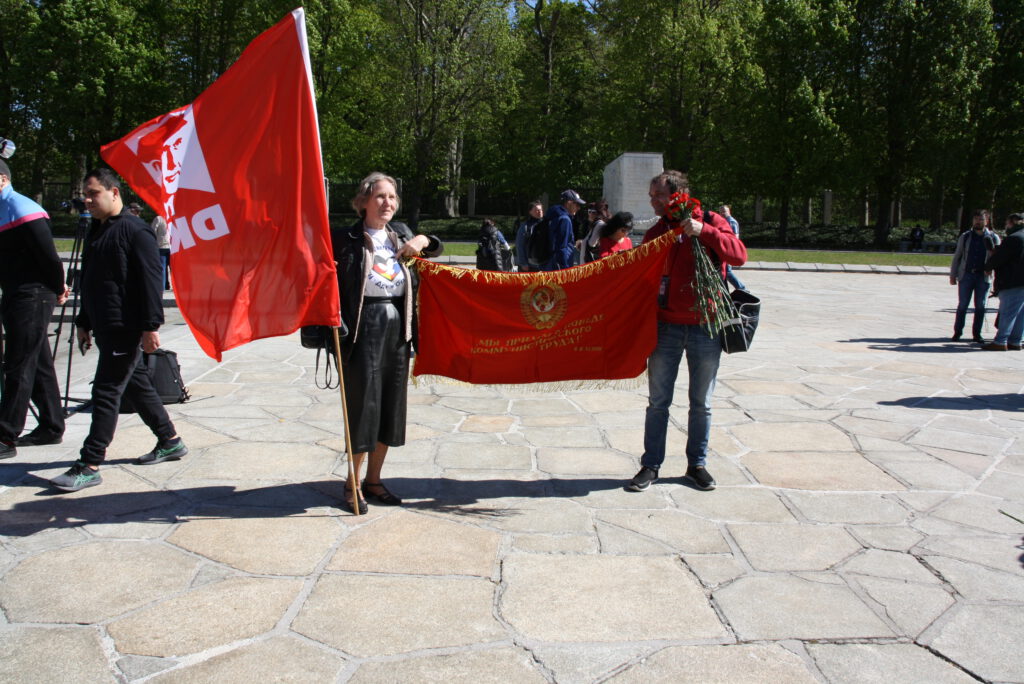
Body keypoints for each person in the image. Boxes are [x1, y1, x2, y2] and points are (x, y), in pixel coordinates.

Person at [50, 168, 187, 492]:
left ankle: (90, 463)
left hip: (125, 325)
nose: (87, 199)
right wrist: (83, 321)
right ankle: (170, 440)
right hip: (105, 323)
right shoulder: (98, 230)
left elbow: (151, 281)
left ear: (114, 193)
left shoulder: (136, 231)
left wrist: (150, 326)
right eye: (85, 193)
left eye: (94, 193)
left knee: (106, 391)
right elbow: (93, 280)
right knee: (137, 385)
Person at [332, 172, 443, 513]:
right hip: (362, 329)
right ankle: (352, 481)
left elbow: (436, 245)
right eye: (380, 196)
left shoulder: (401, 235)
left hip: (399, 326)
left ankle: (374, 480)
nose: (387, 203)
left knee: (391, 407)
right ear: (363, 200)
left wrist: (422, 240)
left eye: (392, 198)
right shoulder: (344, 238)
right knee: (364, 407)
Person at [629, 170, 746, 493]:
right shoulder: (658, 231)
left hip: (705, 327)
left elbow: (739, 255)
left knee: (701, 403)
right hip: (666, 327)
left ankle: (697, 465)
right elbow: (641, 273)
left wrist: (703, 231)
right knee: (658, 402)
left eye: (658, 196)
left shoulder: (709, 220)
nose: (653, 201)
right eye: (652, 196)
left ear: (678, 194)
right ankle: (651, 465)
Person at [0, 160, 69, 460]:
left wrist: (58, 287)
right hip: (18, 294)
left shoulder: (20, 206)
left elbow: (49, 255)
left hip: (32, 295)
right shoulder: (7, 208)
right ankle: (51, 426)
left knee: (18, 364)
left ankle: (5, 434)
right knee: (37, 363)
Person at [950, 209, 1000, 343]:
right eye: (976, 219)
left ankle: (976, 334)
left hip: (983, 277)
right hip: (966, 275)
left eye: (981, 219)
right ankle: (957, 332)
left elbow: (999, 258)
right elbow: (957, 256)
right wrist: (953, 274)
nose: (978, 222)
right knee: (962, 305)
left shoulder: (993, 237)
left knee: (980, 306)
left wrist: (991, 268)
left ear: (987, 221)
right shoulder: (965, 236)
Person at [981, 213, 1024, 351]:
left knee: (1008, 313)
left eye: (1007, 222)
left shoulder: (1014, 238)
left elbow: (1000, 258)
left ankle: (1000, 341)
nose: (1006, 225)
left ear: (1013, 223)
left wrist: (988, 267)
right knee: (1020, 315)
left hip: (1013, 280)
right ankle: (1015, 341)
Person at [541, 189, 585, 271]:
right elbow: (562, 247)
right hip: (560, 266)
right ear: (569, 203)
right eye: (577, 204)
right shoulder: (564, 219)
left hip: (548, 262)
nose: (579, 208)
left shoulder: (553, 215)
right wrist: (565, 268)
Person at [718, 205, 748, 291]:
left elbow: (735, 236)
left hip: (730, 249)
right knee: (725, 271)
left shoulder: (731, 222)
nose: (722, 213)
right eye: (720, 212)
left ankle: (741, 288)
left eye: (724, 211)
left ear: (729, 211)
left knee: (727, 271)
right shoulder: (724, 221)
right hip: (726, 248)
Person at [514, 201, 543, 273]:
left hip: (544, 266)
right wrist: (523, 263)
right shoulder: (525, 226)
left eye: (541, 210)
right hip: (530, 266)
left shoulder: (547, 224)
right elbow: (519, 245)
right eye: (537, 210)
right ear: (530, 212)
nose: (540, 212)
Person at [580, 199, 610, 264]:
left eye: (593, 212)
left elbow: (591, 243)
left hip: (591, 263)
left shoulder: (599, 224)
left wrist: (581, 242)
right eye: (589, 211)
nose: (590, 214)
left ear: (599, 213)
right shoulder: (592, 224)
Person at [152, 213, 171, 289]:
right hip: (173, 247)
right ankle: (175, 287)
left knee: (162, 268)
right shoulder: (174, 217)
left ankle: (162, 287)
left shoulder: (159, 218)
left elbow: (152, 232)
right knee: (173, 269)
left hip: (161, 246)